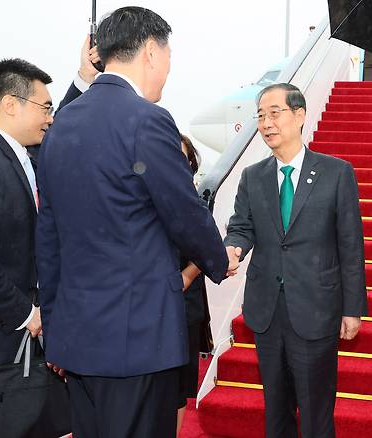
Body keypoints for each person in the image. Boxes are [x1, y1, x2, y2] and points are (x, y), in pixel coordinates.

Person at [35, 7, 230, 438]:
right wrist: (219, 260)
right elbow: (183, 210)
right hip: (138, 342)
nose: (168, 68)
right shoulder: (147, 120)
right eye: (168, 55)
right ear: (149, 52)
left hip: (79, 341)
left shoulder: (61, 124)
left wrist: (56, 327)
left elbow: (47, 237)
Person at [0, 39, 100, 438]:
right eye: (43, 107)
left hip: (11, 349)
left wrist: (82, 78)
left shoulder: (20, 154)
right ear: (11, 104)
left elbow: (60, 126)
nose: (49, 117)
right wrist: (28, 315)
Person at [224, 83, 368, 438]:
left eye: (275, 113)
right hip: (267, 312)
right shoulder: (252, 176)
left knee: (317, 413)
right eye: (260, 116)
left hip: (317, 309)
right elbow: (241, 227)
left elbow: (351, 245)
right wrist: (233, 248)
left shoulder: (336, 172)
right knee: (276, 410)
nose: (266, 123)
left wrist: (353, 308)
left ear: (299, 115)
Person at [176, 134, 208, 436]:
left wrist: (186, 276)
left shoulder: (197, 203)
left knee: (179, 388)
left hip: (184, 306)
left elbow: (207, 250)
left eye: (183, 157)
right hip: (149, 307)